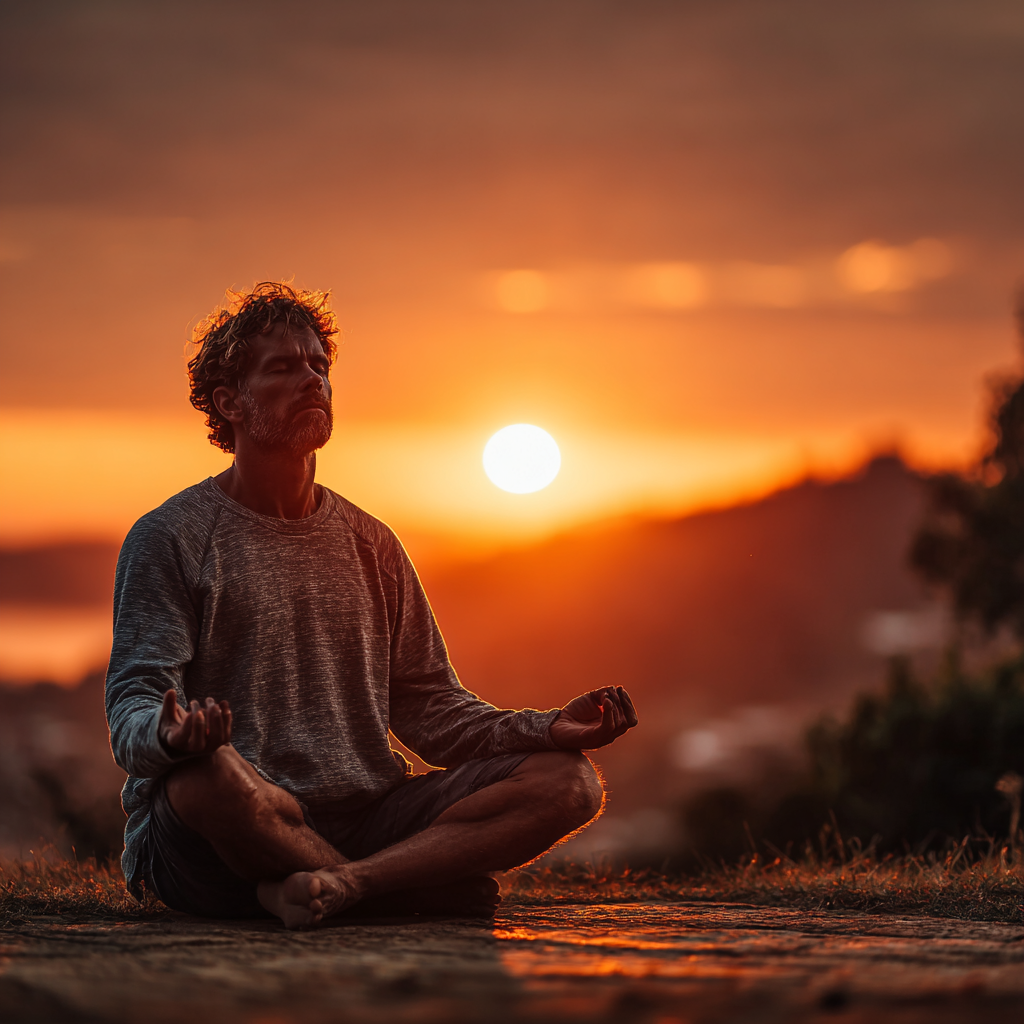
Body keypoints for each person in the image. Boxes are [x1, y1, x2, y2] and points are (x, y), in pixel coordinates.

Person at [105, 282, 638, 930]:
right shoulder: (171, 537)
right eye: (283, 368)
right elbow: (134, 700)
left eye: (319, 367)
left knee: (571, 785)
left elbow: (433, 711)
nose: (311, 380)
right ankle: (388, 891)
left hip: (366, 818)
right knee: (198, 778)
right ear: (229, 403)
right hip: (225, 833)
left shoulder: (371, 544)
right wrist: (168, 733)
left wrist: (549, 729)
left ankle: (342, 886)